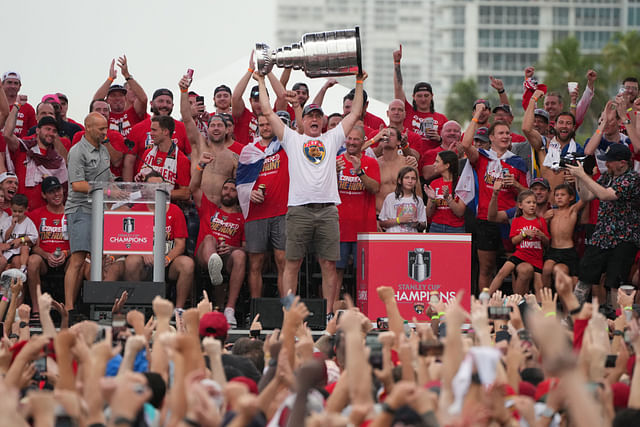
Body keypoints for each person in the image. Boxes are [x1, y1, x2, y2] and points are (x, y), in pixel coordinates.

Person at [253, 67, 367, 316]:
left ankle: (327, 316)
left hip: (327, 210)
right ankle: (290, 313)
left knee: (328, 264)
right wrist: (261, 81)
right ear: (302, 121)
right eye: (310, 116)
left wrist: (358, 82)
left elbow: (356, 112)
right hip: (299, 210)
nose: (314, 119)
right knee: (292, 263)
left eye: (318, 116)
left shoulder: (332, 138)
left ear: (324, 121)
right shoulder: (293, 139)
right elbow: (268, 111)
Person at [458, 107, 528, 294]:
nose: (505, 136)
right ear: (492, 138)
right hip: (485, 220)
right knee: (487, 268)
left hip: (509, 220)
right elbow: (465, 144)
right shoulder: (482, 158)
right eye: (500, 133)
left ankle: (515, 306)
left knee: (513, 266)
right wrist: (476, 116)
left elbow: (528, 195)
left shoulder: (517, 162)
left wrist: (516, 185)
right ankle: (484, 307)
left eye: (507, 133)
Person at [568, 144, 640, 307]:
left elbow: (605, 195)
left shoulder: (633, 179)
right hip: (602, 235)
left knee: (615, 283)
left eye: (610, 161)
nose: (606, 164)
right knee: (585, 276)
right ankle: (572, 315)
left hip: (625, 237)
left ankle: (617, 323)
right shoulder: (608, 176)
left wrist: (584, 177)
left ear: (622, 162)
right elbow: (587, 196)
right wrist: (579, 176)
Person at [113, 172, 195, 309]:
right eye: (152, 185)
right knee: (132, 261)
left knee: (188, 264)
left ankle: (179, 309)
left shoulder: (175, 211)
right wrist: (143, 252)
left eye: (159, 185)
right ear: (144, 189)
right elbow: (129, 239)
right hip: (143, 261)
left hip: (168, 262)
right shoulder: (137, 209)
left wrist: (167, 259)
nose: (156, 189)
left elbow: (180, 245)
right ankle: (136, 305)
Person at [63, 112, 113, 313]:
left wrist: (119, 190)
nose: (105, 132)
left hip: (100, 210)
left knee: (98, 259)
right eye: (101, 129)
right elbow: (78, 185)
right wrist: (107, 190)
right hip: (81, 209)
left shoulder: (104, 151)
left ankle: (94, 304)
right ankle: (68, 307)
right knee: (78, 259)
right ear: (88, 127)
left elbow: (108, 182)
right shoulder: (77, 152)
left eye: (106, 128)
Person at [237, 114, 290, 298]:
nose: (266, 127)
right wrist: (248, 192)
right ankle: (256, 308)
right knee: (255, 263)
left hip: (282, 211)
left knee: (283, 261)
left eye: (269, 124)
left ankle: (288, 310)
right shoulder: (248, 151)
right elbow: (240, 183)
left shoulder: (285, 146)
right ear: (257, 127)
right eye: (262, 125)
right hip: (256, 213)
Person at [193, 177, 246, 327]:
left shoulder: (242, 219)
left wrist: (232, 249)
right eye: (226, 188)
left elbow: (245, 247)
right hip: (204, 254)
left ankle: (229, 309)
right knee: (209, 238)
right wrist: (201, 166)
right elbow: (194, 188)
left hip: (227, 258)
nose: (228, 192)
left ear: (238, 194)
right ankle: (213, 262)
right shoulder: (209, 208)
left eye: (233, 189)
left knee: (240, 255)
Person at [336, 125, 380, 296]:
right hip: (340, 228)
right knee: (336, 271)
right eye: (349, 138)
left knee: (363, 273)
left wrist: (359, 171)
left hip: (363, 229)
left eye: (356, 139)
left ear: (363, 141)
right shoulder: (337, 161)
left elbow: (375, 188)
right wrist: (333, 171)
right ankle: (330, 312)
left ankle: (364, 310)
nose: (352, 142)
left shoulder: (371, 162)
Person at [180, 76, 238, 206]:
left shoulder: (234, 157)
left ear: (227, 130)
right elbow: (187, 118)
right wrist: (184, 91)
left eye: (220, 125)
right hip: (198, 206)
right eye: (213, 125)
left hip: (222, 209)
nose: (216, 128)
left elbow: (237, 188)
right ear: (208, 128)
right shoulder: (199, 145)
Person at [488, 190, 550, 297]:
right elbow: (513, 241)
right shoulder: (517, 220)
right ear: (520, 205)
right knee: (502, 272)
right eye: (528, 202)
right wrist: (524, 235)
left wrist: (542, 236)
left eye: (534, 203)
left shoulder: (541, 221)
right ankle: (484, 297)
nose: (532, 205)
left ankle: (541, 310)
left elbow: (547, 242)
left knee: (539, 285)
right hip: (520, 254)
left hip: (536, 257)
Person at [3, 116, 69, 211]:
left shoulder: (58, 161)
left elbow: (63, 191)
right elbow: (7, 134)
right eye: (48, 129)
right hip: (20, 212)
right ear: (38, 130)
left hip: (44, 215)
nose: (51, 133)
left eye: (54, 131)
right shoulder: (23, 149)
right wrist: (17, 106)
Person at [523, 89, 584, 191]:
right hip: (545, 203)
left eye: (568, 123)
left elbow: (587, 182)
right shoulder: (544, 145)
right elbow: (526, 129)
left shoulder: (578, 151)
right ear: (554, 125)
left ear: (573, 127)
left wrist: (578, 179)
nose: (564, 126)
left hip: (569, 204)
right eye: (561, 123)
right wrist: (533, 100)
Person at [125, 88, 191, 181]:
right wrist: (129, 189)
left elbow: (191, 156)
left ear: (172, 106)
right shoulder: (137, 128)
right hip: (144, 187)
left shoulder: (182, 127)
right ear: (151, 104)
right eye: (160, 101)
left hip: (175, 189)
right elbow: (129, 162)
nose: (164, 105)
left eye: (168, 102)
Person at [26, 177, 69, 316]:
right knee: (32, 261)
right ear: (44, 195)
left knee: (78, 261)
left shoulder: (72, 213)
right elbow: (33, 246)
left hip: (67, 258)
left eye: (58, 189)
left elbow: (79, 244)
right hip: (44, 259)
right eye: (51, 191)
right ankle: (37, 309)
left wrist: (66, 253)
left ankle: (70, 307)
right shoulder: (35, 215)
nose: (56, 194)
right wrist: (46, 255)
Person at [392, 45, 447, 147]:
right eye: (419, 96)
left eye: (426, 95)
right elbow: (398, 88)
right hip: (408, 158)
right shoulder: (406, 111)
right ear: (413, 97)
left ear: (432, 96)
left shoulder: (442, 119)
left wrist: (439, 139)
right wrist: (397, 63)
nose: (423, 99)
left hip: (432, 160)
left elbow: (450, 143)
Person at [134, 115, 191, 202]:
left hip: (167, 207)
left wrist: (158, 193)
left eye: (154, 130)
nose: (151, 133)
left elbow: (185, 193)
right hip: (144, 203)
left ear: (165, 132)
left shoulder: (181, 159)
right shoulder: (147, 153)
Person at [71, 99, 127, 179]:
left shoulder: (116, 135)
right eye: (98, 110)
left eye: (105, 110)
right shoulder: (79, 136)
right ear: (90, 114)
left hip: (110, 185)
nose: (102, 112)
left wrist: (104, 138)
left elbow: (116, 162)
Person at [92, 57, 147, 138]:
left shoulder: (133, 113)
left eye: (121, 95)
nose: (117, 98)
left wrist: (127, 75)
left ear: (126, 98)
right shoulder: (104, 116)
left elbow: (143, 99)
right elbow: (95, 102)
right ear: (107, 100)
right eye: (113, 95)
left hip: (131, 150)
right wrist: (110, 79)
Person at [542, 184, 584, 289]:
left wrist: (578, 179)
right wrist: (544, 219)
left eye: (562, 195)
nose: (559, 197)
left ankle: (565, 301)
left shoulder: (572, 211)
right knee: (546, 269)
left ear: (571, 197)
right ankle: (546, 297)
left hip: (568, 251)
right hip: (553, 250)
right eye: (557, 195)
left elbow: (584, 198)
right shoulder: (551, 213)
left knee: (567, 277)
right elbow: (541, 228)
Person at [376, 127, 419, 213]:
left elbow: (418, 193)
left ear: (399, 142)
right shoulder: (374, 164)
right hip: (379, 215)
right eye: (385, 134)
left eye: (391, 135)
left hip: (403, 216)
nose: (387, 137)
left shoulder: (408, 163)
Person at [424, 151, 466, 233]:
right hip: (436, 226)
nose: (434, 164)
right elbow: (428, 214)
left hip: (456, 228)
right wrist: (432, 200)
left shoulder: (461, 182)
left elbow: (460, 212)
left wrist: (448, 199)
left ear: (447, 165)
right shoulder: (434, 183)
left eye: (437, 161)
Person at [379, 167, 426, 233]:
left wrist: (417, 224)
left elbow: (423, 225)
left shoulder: (418, 200)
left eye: (413, 178)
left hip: (411, 239)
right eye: (406, 178)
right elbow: (382, 223)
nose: (410, 181)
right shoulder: (390, 198)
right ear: (399, 180)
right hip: (393, 238)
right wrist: (399, 220)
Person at [0, 193, 37, 275]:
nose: (17, 213)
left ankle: (23, 268)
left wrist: (21, 239)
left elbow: (34, 237)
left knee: (25, 246)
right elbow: (5, 238)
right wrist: (12, 226)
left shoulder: (28, 222)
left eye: (20, 211)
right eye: (14, 211)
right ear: (10, 208)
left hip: (21, 250)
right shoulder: (7, 220)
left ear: (26, 209)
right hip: (8, 251)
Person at [1, 71, 36, 138]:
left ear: (20, 86)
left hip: (19, 146)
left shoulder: (28, 108)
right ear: (2, 84)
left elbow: (33, 132)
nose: (13, 86)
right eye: (9, 82)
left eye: (16, 83)